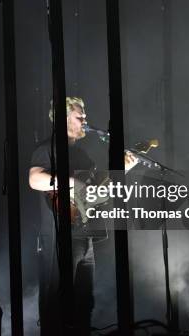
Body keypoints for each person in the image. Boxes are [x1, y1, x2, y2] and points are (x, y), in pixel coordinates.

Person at [29, 97, 137, 335]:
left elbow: (96, 193)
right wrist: (70, 182)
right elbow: (35, 179)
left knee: (84, 302)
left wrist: (123, 169)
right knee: (55, 302)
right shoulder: (47, 149)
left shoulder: (82, 154)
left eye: (85, 116)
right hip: (58, 237)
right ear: (63, 118)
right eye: (80, 116)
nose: (85, 121)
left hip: (84, 237)